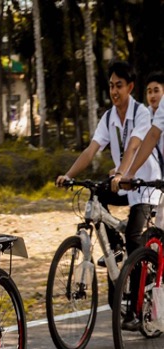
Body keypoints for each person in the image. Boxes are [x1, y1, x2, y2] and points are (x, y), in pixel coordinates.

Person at [56, 60, 162, 322]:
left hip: (144, 183)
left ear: (130, 87)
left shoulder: (141, 113)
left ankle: (136, 312)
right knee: (97, 195)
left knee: (135, 239)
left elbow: (135, 145)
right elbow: (92, 149)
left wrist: (124, 174)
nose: (114, 91)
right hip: (123, 182)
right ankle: (115, 249)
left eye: (119, 86)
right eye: (111, 86)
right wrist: (69, 175)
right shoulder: (109, 117)